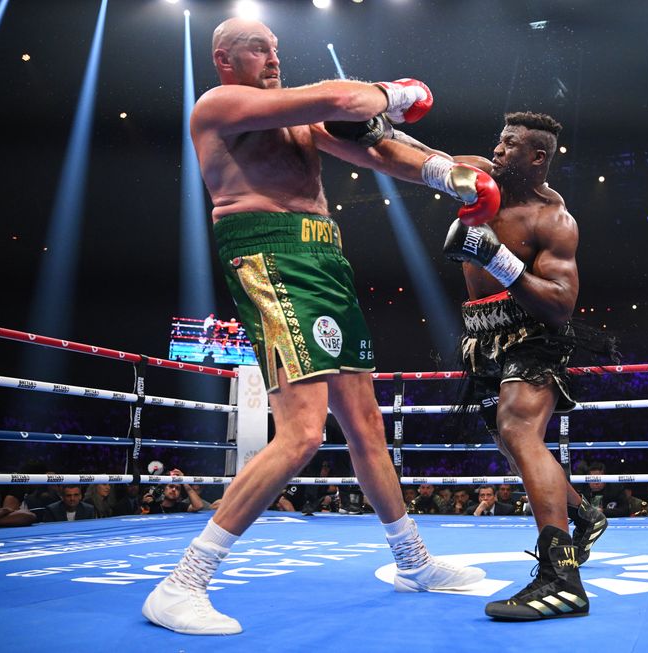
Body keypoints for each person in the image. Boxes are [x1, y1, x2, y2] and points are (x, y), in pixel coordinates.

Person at [143, 18, 500, 636]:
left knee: (365, 425)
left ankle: (413, 562)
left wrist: (450, 176)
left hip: (324, 258)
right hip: (267, 255)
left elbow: (377, 149)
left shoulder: (298, 119)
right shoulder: (219, 104)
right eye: (259, 49)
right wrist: (400, 92)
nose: (273, 57)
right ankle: (182, 583)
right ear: (224, 59)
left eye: (276, 48)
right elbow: (348, 100)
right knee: (303, 433)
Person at [395, 111, 608, 620]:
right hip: (481, 335)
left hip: (534, 334)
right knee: (507, 442)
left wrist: (499, 259)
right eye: (499, 140)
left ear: (537, 157)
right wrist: (378, 125)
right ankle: (583, 514)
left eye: (510, 144)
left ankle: (562, 580)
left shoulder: (552, 220)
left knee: (518, 430)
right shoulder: (476, 176)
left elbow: (560, 304)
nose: (498, 149)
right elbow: (419, 156)